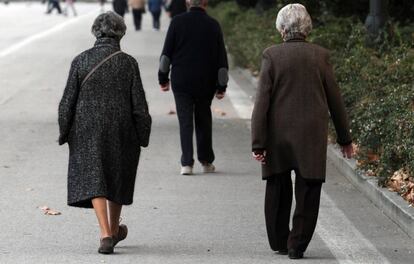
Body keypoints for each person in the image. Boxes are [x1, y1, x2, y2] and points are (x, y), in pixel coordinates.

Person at [251, 4, 354, 260]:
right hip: (310, 134)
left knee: (277, 184)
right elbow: (335, 100)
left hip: (278, 135)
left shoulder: (271, 56)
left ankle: (278, 241)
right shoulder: (320, 56)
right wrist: (345, 139)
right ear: (307, 28)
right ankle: (297, 244)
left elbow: (261, 102)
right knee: (309, 188)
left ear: (282, 29)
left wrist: (258, 143)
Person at [58, 11, 151, 254]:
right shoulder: (128, 62)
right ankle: (112, 228)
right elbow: (139, 105)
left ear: (95, 32)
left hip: (87, 129)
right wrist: (143, 133)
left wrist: (64, 130)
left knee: (95, 178)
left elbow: (67, 101)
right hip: (121, 129)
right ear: (121, 33)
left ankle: (106, 233)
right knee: (116, 175)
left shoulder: (81, 60)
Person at [158, 0, 228, 175]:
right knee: (203, 118)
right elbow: (221, 59)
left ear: (188, 2)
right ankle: (205, 161)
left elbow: (166, 54)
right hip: (206, 80)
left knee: (185, 121)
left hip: (182, 79)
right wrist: (221, 86)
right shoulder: (213, 25)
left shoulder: (177, 22)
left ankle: (186, 164)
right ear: (205, 2)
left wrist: (163, 78)